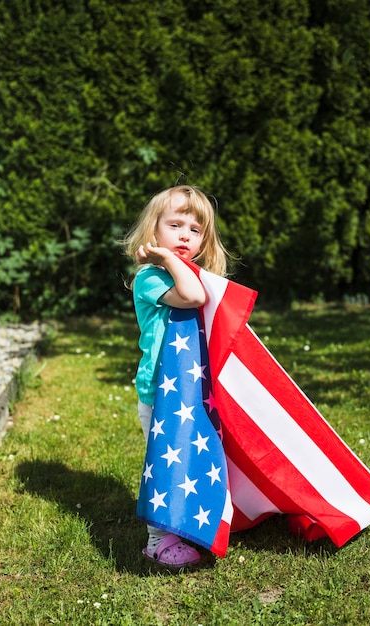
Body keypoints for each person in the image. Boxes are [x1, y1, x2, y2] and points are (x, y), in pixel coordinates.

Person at [123, 185, 231, 567]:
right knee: (165, 460)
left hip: (192, 390)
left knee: (189, 452)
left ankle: (183, 522)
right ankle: (157, 541)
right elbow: (193, 297)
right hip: (161, 392)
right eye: (175, 225)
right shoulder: (150, 278)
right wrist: (167, 258)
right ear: (153, 232)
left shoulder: (189, 271)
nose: (185, 234)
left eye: (195, 229)